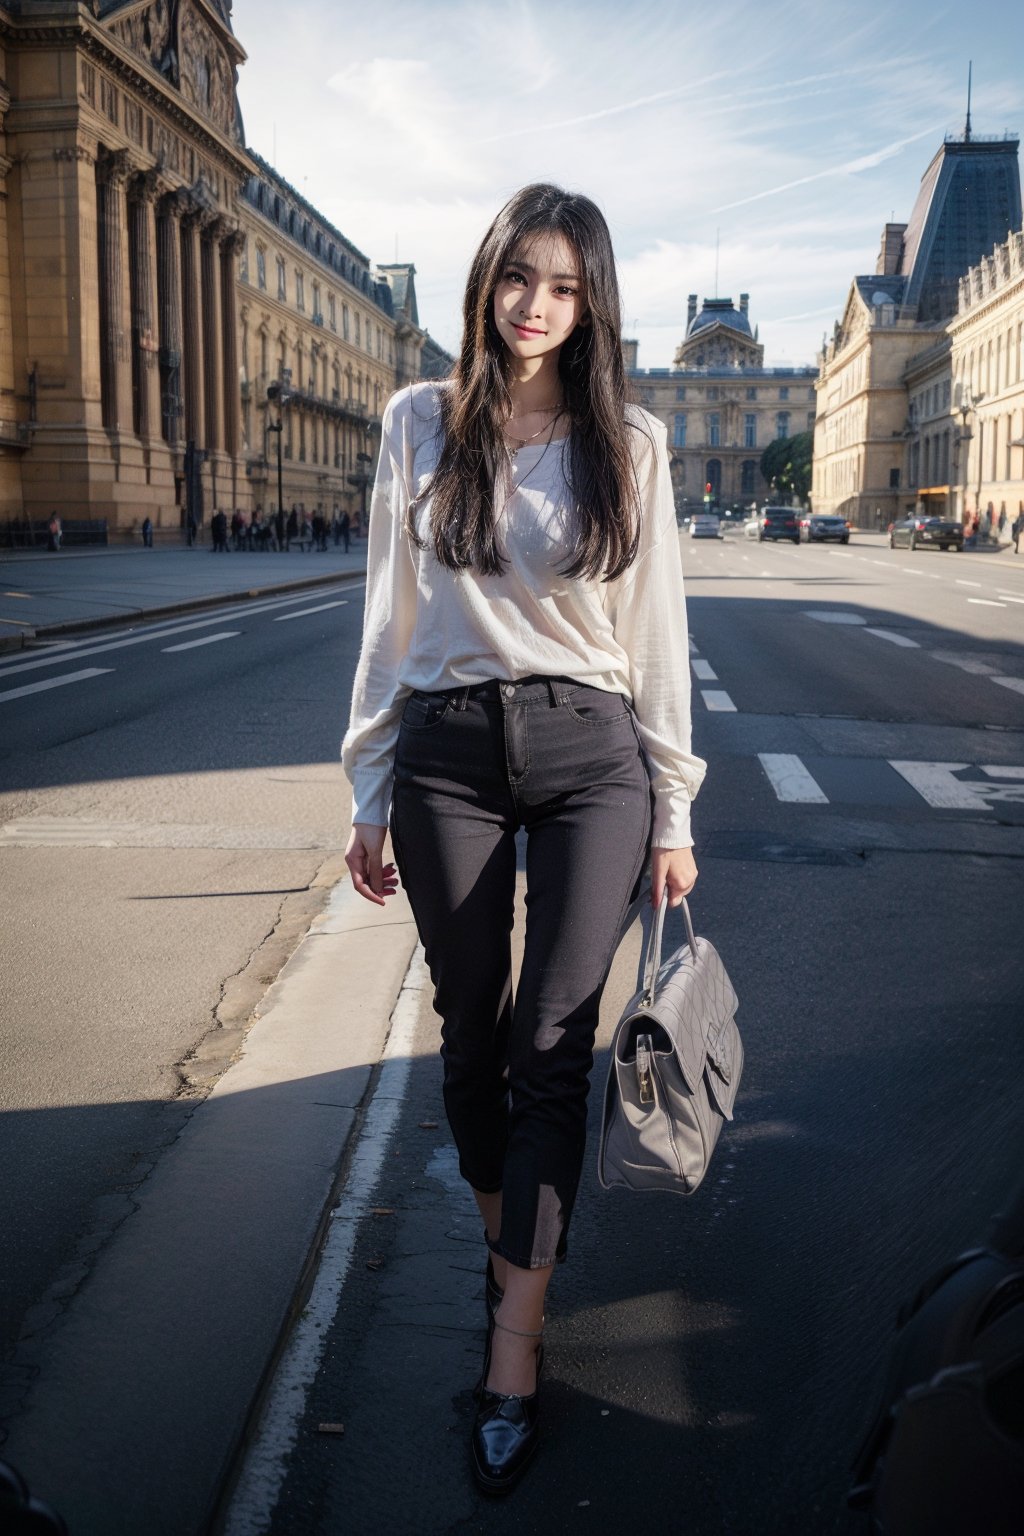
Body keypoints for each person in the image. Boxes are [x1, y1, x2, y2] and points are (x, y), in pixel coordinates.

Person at [342, 183, 704, 1494]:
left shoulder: (635, 446)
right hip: (443, 752)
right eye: (516, 277)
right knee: (474, 1032)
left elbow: (658, 639)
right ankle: (519, 1245)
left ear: (591, 299)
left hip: (592, 757)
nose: (534, 305)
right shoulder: (417, 425)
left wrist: (676, 807)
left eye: (561, 284)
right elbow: (387, 612)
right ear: (485, 281)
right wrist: (367, 783)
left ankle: (514, 1336)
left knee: (556, 1044)